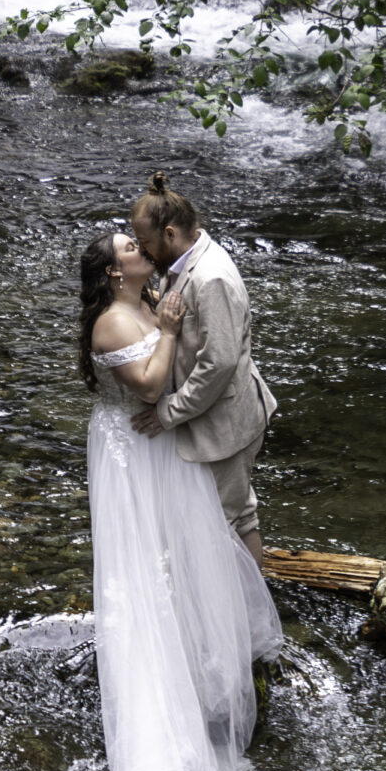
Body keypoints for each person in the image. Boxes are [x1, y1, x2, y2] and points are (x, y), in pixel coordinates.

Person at [79, 222, 283, 771]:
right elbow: (146, 386)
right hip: (134, 453)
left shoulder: (150, 296)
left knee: (197, 546)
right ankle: (167, 702)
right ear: (114, 273)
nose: (141, 246)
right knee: (145, 566)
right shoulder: (114, 320)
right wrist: (166, 331)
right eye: (129, 247)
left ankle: (209, 657)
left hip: (165, 448)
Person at [127, 171, 277, 569]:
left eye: (145, 243)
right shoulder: (185, 260)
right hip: (215, 418)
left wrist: (168, 412)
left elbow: (220, 362)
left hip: (227, 424)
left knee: (225, 524)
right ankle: (243, 616)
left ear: (171, 234)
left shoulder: (211, 278)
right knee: (236, 517)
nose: (143, 252)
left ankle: (238, 622)